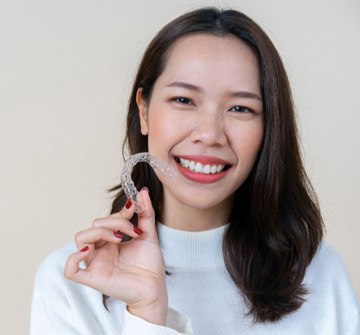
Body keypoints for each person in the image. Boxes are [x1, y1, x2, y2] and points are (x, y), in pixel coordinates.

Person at [30, 7, 360, 335]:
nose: (210, 134)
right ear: (143, 110)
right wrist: (146, 314)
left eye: (240, 108)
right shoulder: (72, 282)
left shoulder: (318, 275)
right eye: (184, 100)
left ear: (269, 127)